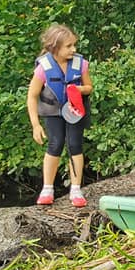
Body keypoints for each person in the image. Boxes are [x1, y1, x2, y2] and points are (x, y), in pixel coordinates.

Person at [26, 24, 93, 207]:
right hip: (52, 112)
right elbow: (32, 96)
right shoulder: (43, 67)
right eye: (69, 46)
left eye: (74, 45)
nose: (74, 49)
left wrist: (79, 89)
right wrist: (36, 125)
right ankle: (47, 189)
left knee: (75, 145)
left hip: (74, 111)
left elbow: (89, 87)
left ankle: (76, 189)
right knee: (55, 144)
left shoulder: (81, 64)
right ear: (55, 47)